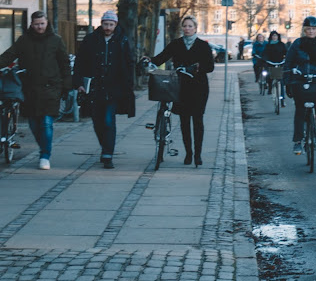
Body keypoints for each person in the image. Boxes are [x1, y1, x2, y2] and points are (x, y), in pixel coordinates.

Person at [0, 11, 71, 170]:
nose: (40, 27)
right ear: (31, 24)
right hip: (29, 88)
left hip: (51, 87)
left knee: (46, 123)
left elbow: (64, 63)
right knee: (33, 124)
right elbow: (9, 55)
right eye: (37, 24)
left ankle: (45, 155)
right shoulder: (24, 40)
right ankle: (43, 147)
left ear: (47, 23)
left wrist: (67, 85)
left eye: (42, 23)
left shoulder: (56, 40)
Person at [144, 15, 214, 167]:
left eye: (190, 26)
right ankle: (188, 153)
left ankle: (198, 155)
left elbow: (210, 66)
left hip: (199, 87)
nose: (187, 29)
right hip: (180, 86)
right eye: (185, 26)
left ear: (195, 28)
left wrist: (197, 67)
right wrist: (149, 60)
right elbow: (161, 57)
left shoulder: (203, 45)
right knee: (184, 121)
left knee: (198, 121)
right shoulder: (176, 44)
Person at [73, 10, 135, 169]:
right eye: (106, 24)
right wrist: (79, 82)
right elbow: (80, 62)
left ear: (116, 25)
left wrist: (128, 85)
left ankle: (108, 155)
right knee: (97, 121)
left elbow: (129, 63)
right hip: (95, 88)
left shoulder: (122, 40)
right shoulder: (91, 40)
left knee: (108, 120)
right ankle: (105, 147)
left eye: (111, 24)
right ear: (101, 24)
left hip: (114, 88)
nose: (108, 27)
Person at [283, 16, 316, 155]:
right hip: (299, 78)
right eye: (308, 29)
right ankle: (298, 141)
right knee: (300, 110)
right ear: (304, 30)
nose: (311, 31)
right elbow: (288, 63)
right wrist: (287, 82)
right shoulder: (297, 43)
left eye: (314, 29)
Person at [263, 30, 287, 105]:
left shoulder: (281, 44)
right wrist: (266, 60)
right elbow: (265, 54)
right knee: (269, 76)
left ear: (278, 37)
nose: (274, 37)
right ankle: (270, 88)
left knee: (281, 81)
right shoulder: (268, 45)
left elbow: (286, 52)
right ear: (271, 37)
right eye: (273, 36)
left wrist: (286, 59)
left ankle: (282, 99)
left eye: (276, 36)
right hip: (271, 63)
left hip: (280, 63)